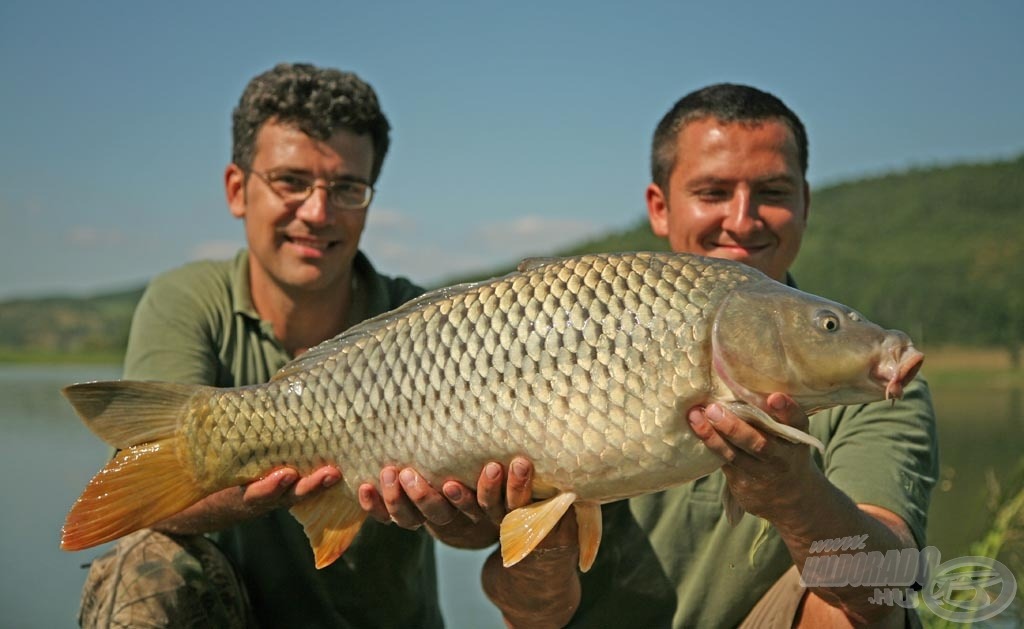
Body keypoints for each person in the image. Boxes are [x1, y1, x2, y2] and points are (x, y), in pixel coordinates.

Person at [471, 84, 939, 627]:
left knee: (855, 611)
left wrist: (794, 494)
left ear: (805, 203)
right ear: (660, 207)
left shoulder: (873, 384)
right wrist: (538, 548)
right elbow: (529, 614)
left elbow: (885, 584)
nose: (742, 221)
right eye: (713, 192)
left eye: (772, 191)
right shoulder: (568, 337)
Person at [76, 61, 501, 628]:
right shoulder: (187, 302)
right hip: (236, 617)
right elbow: (145, 509)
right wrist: (261, 482)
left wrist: (464, 516)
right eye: (291, 182)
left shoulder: (433, 325)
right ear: (237, 189)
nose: (318, 212)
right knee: (142, 559)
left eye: (347, 188)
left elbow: (479, 534)